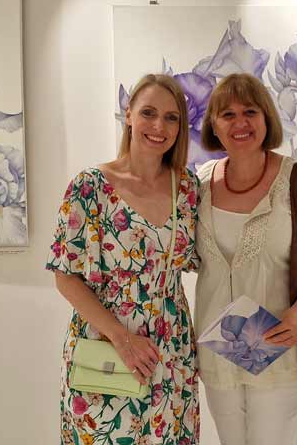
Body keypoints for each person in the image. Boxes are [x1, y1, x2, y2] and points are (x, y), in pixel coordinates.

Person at [45, 74, 201, 445]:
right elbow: (65, 277)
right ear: (128, 114)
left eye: (171, 117)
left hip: (170, 352)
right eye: (148, 113)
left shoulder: (188, 188)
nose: (159, 126)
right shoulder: (90, 187)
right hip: (105, 345)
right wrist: (122, 338)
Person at [193, 73, 297, 445]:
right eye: (227, 114)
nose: (240, 123)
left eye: (250, 111)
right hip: (218, 352)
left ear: (267, 118)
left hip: (279, 350)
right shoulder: (199, 183)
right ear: (213, 123)